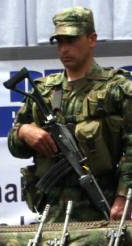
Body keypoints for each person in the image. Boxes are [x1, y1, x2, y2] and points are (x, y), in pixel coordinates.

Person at [8, 6, 132, 221]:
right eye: (60, 42)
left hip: (102, 207)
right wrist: (24, 132)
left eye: (71, 40)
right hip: (52, 211)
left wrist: (124, 196)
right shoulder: (43, 91)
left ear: (92, 39)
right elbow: (15, 147)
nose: (64, 49)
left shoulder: (117, 89)